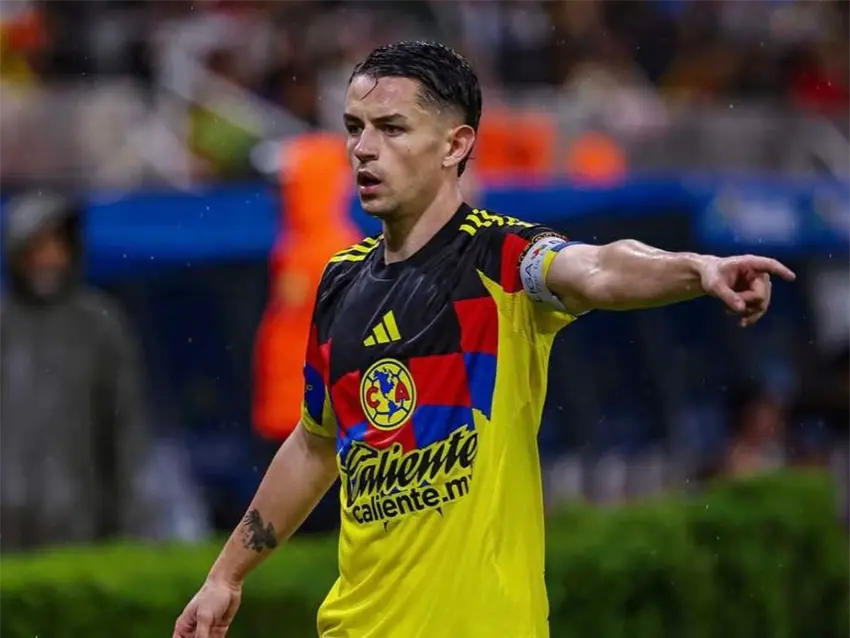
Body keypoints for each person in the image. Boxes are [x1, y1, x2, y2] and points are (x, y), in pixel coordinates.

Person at [173, 40, 796, 638]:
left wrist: (697, 269)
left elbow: (600, 268)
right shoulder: (340, 280)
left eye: (391, 129)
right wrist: (226, 575)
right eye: (354, 128)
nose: (363, 149)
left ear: (456, 144)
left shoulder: (503, 258)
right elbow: (315, 444)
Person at [0, 192, 150, 549]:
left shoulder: (99, 324)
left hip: (79, 515)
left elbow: (125, 424)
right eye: (36, 247)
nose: (48, 258)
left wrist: (127, 515)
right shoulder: (4, 324)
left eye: (57, 245)